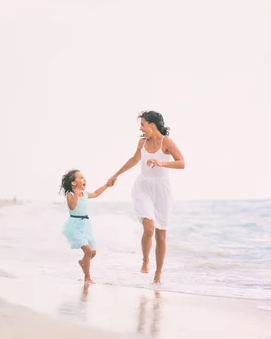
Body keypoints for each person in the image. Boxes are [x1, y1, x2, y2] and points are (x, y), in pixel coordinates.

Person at [107, 111, 185, 284]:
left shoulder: (166, 142)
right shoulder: (142, 142)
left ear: (152, 124)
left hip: (162, 191)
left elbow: (182, 163)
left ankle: (158, 274)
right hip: (143, 187)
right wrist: (116, 175)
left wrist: (162, 163)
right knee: (149, 228)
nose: (141, 128)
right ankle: (145, 259)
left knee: (161, 234)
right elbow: (134, 160)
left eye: (143, 124)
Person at [60, 169, 109, 284]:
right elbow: (72, 207)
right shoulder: (70, 195)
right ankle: (87, 277)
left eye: (84, 178)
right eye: (81, 177)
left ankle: (83, 262)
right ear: (73, 183)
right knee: (87, 251)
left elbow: (96, 193)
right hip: (75, 225)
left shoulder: (85, 194)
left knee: (93, 252)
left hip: (86, 225)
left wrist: (106, 185)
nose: (84, 179)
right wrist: (76, 194)